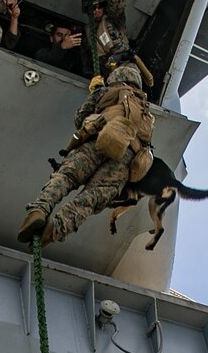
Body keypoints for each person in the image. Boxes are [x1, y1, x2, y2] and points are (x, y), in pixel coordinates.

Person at [16, 62, 153, 246]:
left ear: (116, 77)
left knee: (67, 177)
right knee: (92, 198)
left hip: (97, 141)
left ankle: (39, 211)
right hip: (125, 159)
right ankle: (56, 229)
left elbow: (80, 118)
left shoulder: (106, 91)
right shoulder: (146, 112)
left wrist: (95, 91)